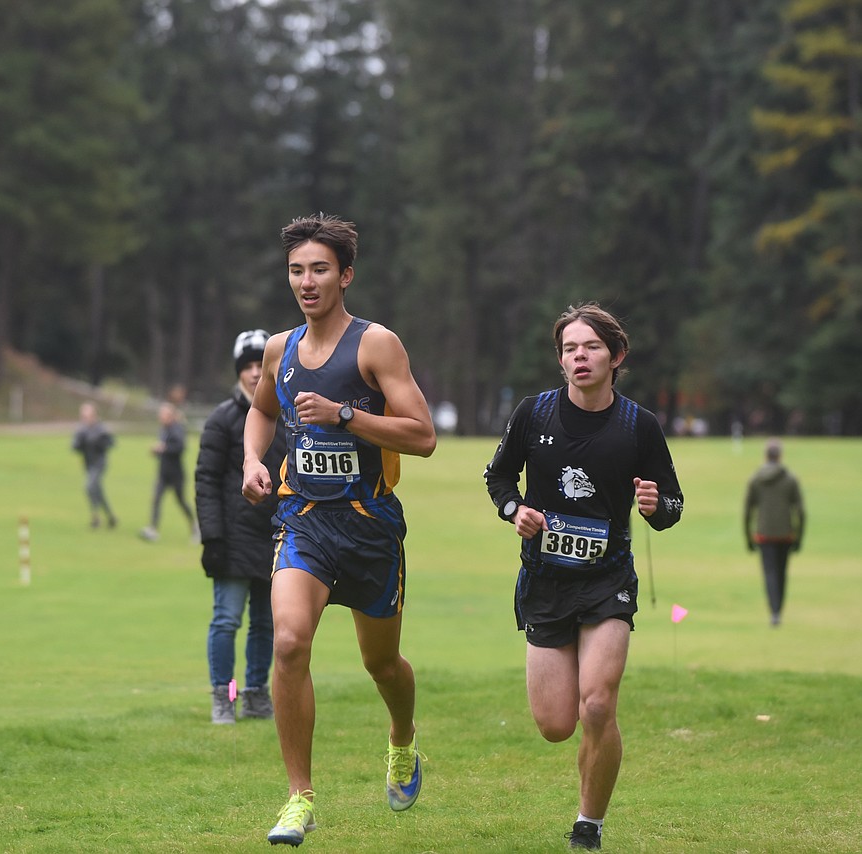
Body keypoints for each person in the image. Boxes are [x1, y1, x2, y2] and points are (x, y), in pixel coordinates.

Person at [241, 214, 437, 846]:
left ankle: (403, 740)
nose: (307, 281)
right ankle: (300, 797)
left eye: (319, 269)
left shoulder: (377, 344)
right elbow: (261, 411)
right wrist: (252, 460)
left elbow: (423, 436)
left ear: (346, 274)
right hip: (303, 520)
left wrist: (345, 415)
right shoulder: (279, 349)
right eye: (297, 270)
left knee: (381, 665)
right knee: (290, 642)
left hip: (371, 525)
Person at [483, 302, 684, 850]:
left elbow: (672, 505)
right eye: (570, 349)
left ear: (615, 357)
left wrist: (653, 504)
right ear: (560, 359)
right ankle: (589, 777)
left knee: (598, 704)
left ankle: (588, 824)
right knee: (555, 724)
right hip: (545, 582)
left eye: (591, 347)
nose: (579, 357)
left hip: (607, 581)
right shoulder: (533, 414)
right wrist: (514, 511)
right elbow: (498, 477)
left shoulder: (639, 424)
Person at [195, 329, 286, 725]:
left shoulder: (287, 415)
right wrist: (212, 537)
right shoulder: (223, 419)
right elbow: (206, 481)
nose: (253, 373)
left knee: (267, 624)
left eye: (259, 365)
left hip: (277, 537)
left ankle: (255, 693)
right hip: (232, 539)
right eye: (246, 366)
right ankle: (224, 695)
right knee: (228, 619)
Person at [744, 439, 804, 627]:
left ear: (766, 455)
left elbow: (747, 511)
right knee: (781, 573)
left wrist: (748, 537)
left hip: (764, 534)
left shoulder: (756, 479)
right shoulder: (790, 479)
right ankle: (778, 610)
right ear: (779, 456)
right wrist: (799, 536)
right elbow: (800, 511)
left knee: (769, 573)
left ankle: (774, 611)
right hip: (785, 533)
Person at [140, 401, 197, 542]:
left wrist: (163, 449)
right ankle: (153, 529)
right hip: (163, 472)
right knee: (156, 499)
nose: (160, 417)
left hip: (176, 474)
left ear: (170, 416)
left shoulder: (177, 429)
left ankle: (195, 526)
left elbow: (180, 447)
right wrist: (157, 451)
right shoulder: (163, 429)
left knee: (181, 502)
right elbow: (164, 448)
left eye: (163, 415)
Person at [71, 402, 117, 529]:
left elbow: (111, 443)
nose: (84, 418)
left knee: (89, 486)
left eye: (86, 415)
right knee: (97, 490)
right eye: (82, 416)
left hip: (99, 463)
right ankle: (111, 516)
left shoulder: (101, 428)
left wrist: (99, 442)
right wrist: (78, 444)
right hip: (88, 464)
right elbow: (75, 446)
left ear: (93, 415)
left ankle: (95, 517)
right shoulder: (82, 429)